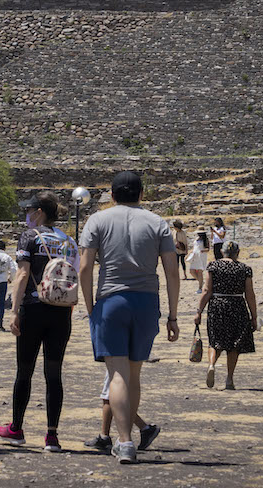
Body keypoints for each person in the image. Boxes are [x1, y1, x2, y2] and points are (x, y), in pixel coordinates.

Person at [78, 171, 180, 465]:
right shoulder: (157, 222)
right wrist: (172, 315)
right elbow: (172, 272)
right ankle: (129, 438)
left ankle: (124, 442)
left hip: (111, 301)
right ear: (141, 194)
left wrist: (90, 306)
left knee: (117, 374)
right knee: (134, 375)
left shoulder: (97, 220)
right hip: (147, 302)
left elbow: (85, 267)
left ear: (112, 194)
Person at [0, 192, 76, 452]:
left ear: (39, 211)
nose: (27, 215)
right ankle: (52, 436)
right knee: (54, 374)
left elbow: (22, 274)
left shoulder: (30, 237)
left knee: (25, 370)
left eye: (29, 210)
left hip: (33, 308)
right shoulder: (69, 241)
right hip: (60, 313)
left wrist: (14, 310)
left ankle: (16, 428)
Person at [194, 241, 258, 390]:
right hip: (237, 305)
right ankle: (229, 379)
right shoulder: (244, 269)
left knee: (215, 340)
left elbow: (206, 291)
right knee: (234, 344)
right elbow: (250, 294)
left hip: (217, 305)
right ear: (238, 252)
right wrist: (254, 316)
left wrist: (199, 311)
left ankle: (211, 365)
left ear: (222, 252)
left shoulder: (213, 266)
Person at [84, 369, 160, 454]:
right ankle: (145, 428)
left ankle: (106, 438)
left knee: (110, 396)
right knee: (115, 396)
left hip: (117, 362)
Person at [187, 229, 209, 294]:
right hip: (195, 256)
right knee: (191, 271)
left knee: (200, 272)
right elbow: (194, 248)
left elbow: (207, 249)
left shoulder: (205, 240)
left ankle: (200, 287)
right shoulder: (196, 239)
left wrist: (202, 251)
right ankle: (201, 282)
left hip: (201, 256)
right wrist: (189, 254)